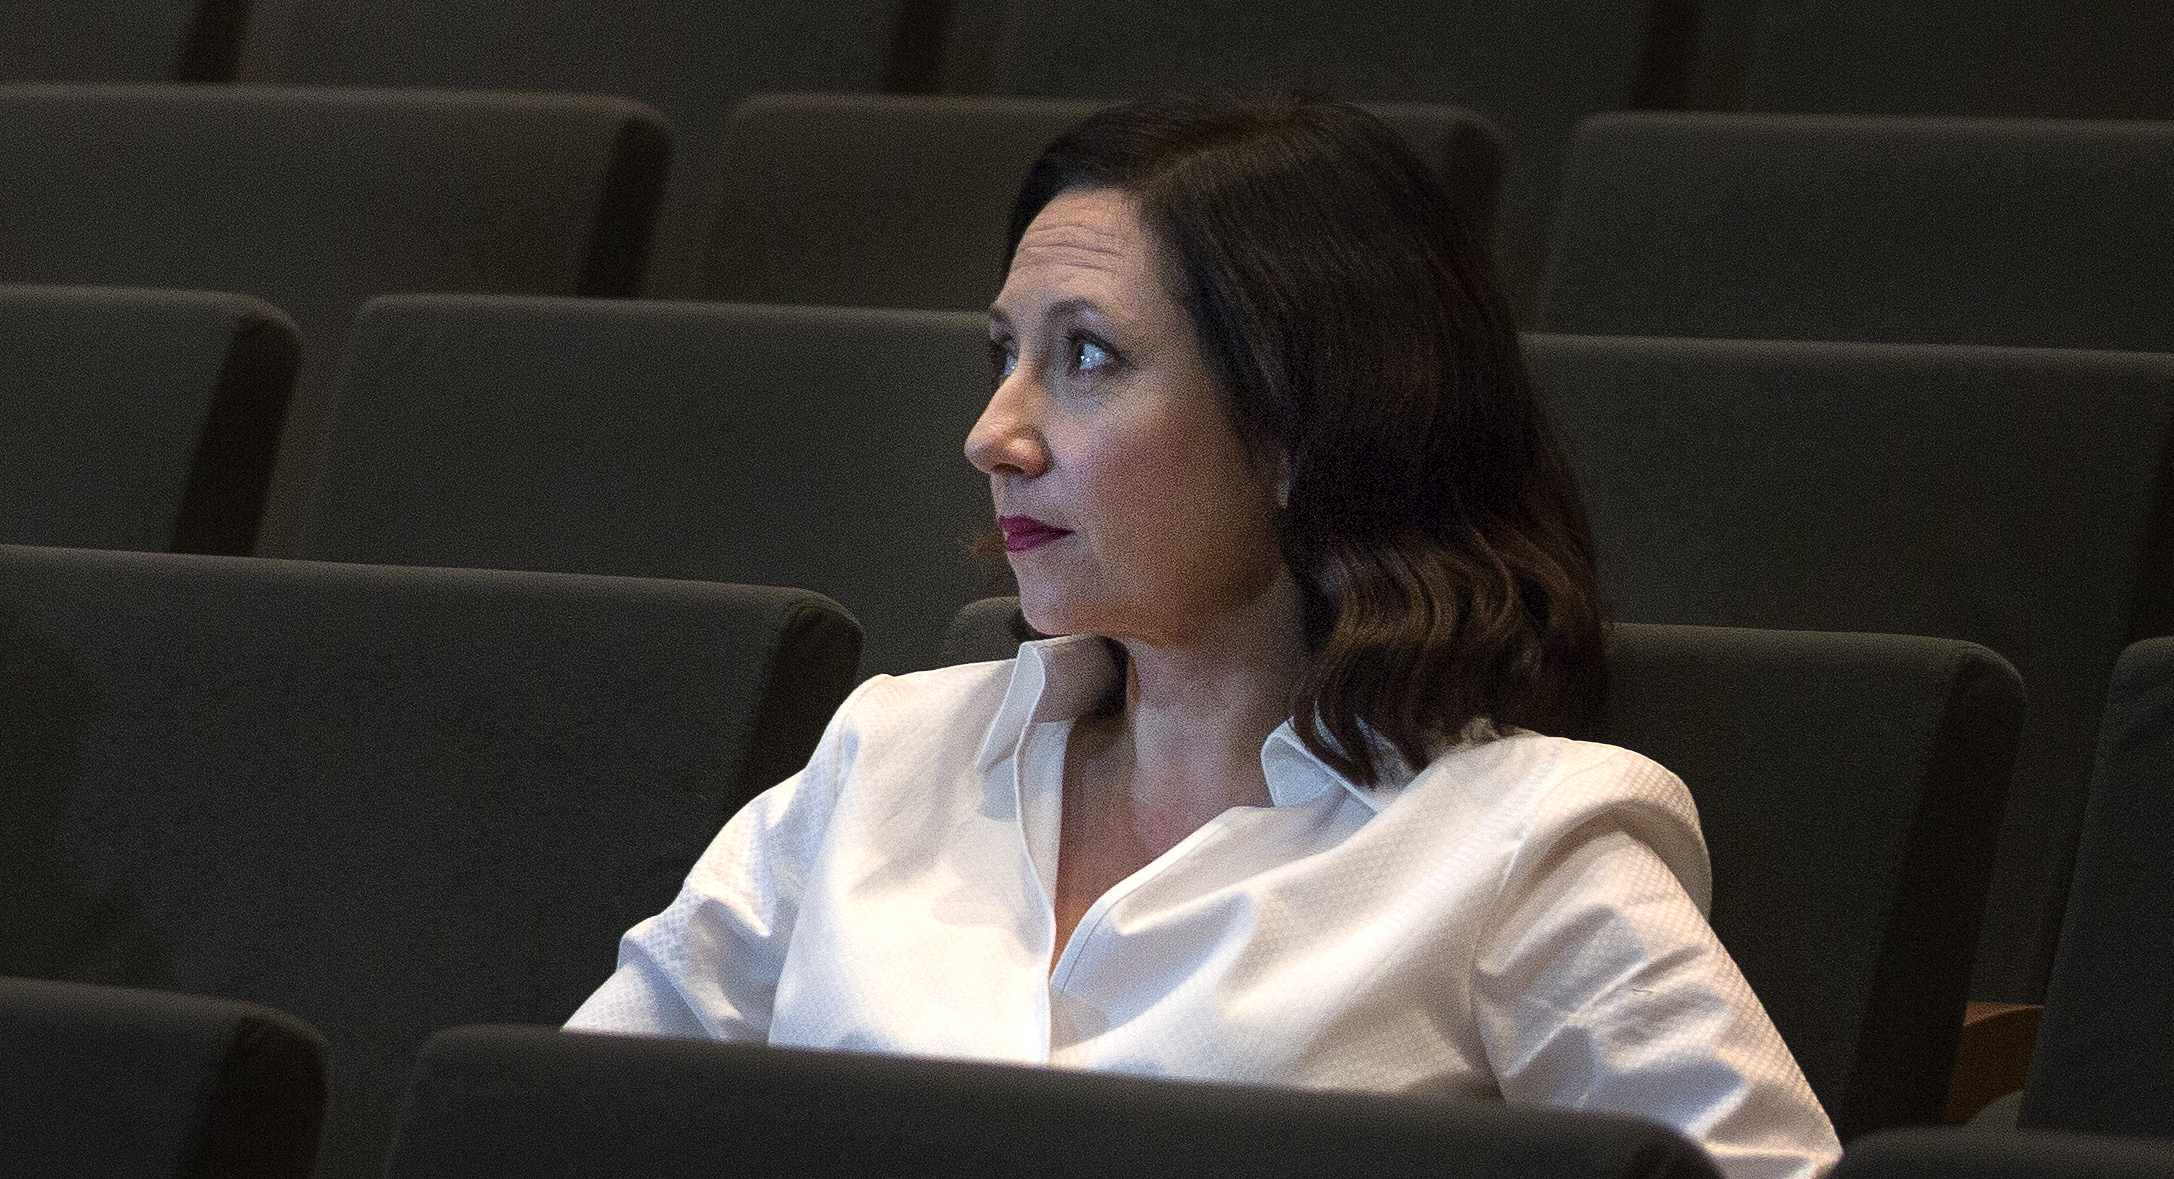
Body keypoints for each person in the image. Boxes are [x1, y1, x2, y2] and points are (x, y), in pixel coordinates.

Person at [568, 91, 1837, 1179]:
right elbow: (570, 1127)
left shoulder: (1514, 842)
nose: (993, 433)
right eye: (1005, 352)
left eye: (1088, 356)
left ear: (1302, 428)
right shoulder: (887, 754)